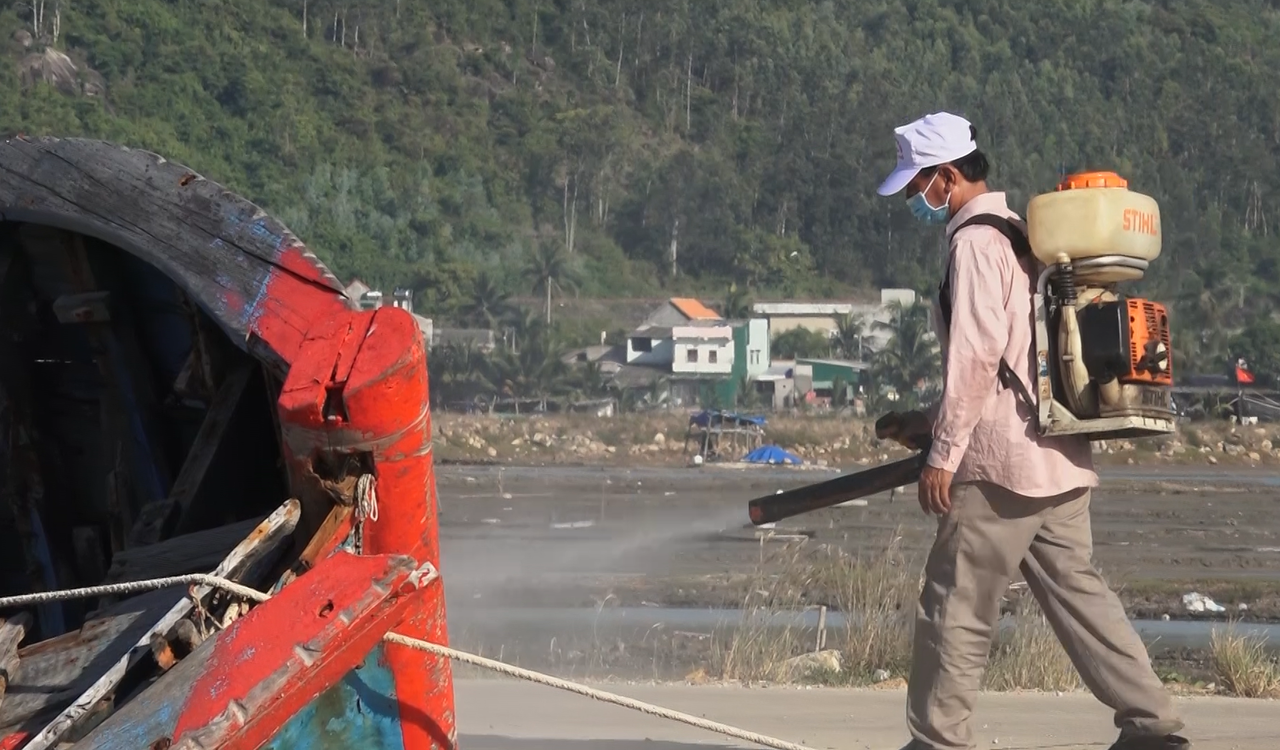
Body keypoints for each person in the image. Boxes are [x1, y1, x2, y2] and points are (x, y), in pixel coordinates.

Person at [874, 112, 1190, 750]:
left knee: (956, 607)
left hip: (1000, 469)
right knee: (1083, 600)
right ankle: (1152, 725)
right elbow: (1020, 360)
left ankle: (937, 741)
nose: (915, 201)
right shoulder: (1024, 234)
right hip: (1060, 455)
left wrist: (943, 453)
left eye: (916, 189)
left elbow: (977, 359)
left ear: (945, 177)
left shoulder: (972, 244)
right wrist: (929, 422)